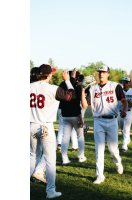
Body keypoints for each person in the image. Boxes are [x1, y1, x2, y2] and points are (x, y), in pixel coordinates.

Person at [30, 64, 76, 199]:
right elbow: (71, 96)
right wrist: (68, 80)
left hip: (31, 124)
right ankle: (50, 191)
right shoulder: (53, 88)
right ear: (49, 75)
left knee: (32, 155)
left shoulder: (29, 86)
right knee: (50, 159)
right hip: (46, 126)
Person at [81, 65, 128, 184]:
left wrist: (124, 110)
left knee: (113, 149)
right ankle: (99, 175)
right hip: (98, 121)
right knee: (99, 149)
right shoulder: (92, 89)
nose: (101, 74)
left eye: (103, 72)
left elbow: (123, 101)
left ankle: (117, 161)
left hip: (112, 120)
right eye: (99, 72)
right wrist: (82, 90)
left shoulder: (115, 86)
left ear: (108, 74)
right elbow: (85, 105)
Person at [59, 70, 86, 164]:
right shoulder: (75, 88)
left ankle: (64, 159)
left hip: (65, 115)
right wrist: (81, 118)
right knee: (80, 136)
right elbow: (78, 104)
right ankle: (81, 157)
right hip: (75, 115)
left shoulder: (61, 86)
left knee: (65, 138)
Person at [118, 77, 132, 152]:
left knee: (126, 129)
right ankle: (127, 139)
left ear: (129, 83)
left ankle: (124, 146)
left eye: (126, 82)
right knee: (122, 129)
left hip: (129, 112)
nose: (124, 83)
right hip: (120, 112)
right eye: (123, 81)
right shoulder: (119, 91)